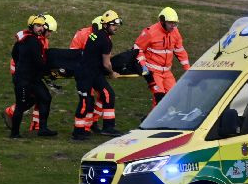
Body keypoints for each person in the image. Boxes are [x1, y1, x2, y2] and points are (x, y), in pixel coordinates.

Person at [73, 9, 123, 140]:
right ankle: (78, 132)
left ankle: (108, 127)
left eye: (117, 25)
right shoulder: (106, 41)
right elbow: (106, 64)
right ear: (106, 25)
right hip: (85, 74)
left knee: (108, 94)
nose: (116, 28)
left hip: (94, 73)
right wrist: (112, 73)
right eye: (114, 25)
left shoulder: (96, 34)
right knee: (85, 102)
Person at [10, 14, 58, 138]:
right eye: (38, 25)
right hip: (24, 79)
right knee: (21, 105)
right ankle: (14, 133)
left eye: (42, 25)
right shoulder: (32, 41)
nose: (41, 28)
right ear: (31, 26)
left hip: (32, 78)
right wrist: (49, 72)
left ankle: (42, 128)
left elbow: (14, 53)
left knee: (46, 97)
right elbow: (39, 61)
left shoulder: (25, 38)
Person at [133, 7, 190, 107]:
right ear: (163, 21)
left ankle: (158, 120)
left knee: (173, 98)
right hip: (153, 72)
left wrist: (188, 69)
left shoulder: (175, 32)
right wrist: (144, 67)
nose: (173, 26)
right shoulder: (150, 32)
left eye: (175, 23)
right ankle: (152, 121)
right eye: (171, 23)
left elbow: (180, 50)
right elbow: (137, 49)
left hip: (167, 72)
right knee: (159, 98)